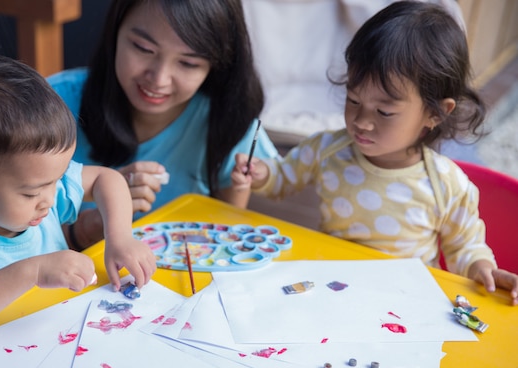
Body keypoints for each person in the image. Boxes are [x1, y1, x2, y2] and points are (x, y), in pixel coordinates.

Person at [231, 1, 518, 305]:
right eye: (354, 100)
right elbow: (283, 179)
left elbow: (465, 248)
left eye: (384, 111)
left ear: (436, 113)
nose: (362, 122)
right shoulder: (328, 149)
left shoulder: (447, 183)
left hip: (405, 303)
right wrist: (263, 174)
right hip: (332, 292)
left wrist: (483, 269)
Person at [0, 55, 157, 335]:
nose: (50, 200)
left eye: (57, 181)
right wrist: (31, 272)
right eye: (31, 193)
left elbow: (105, 178)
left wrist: (119, 238)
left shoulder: (39, 186)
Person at [48, 0, 278, 250]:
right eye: (143, 48)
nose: (159, 79)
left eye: (188, 63)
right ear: (115, 30)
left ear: (217, 64)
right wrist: (89, 226)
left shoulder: (228, 119)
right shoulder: (50, 107)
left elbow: (228, 238)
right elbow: (7, 241)